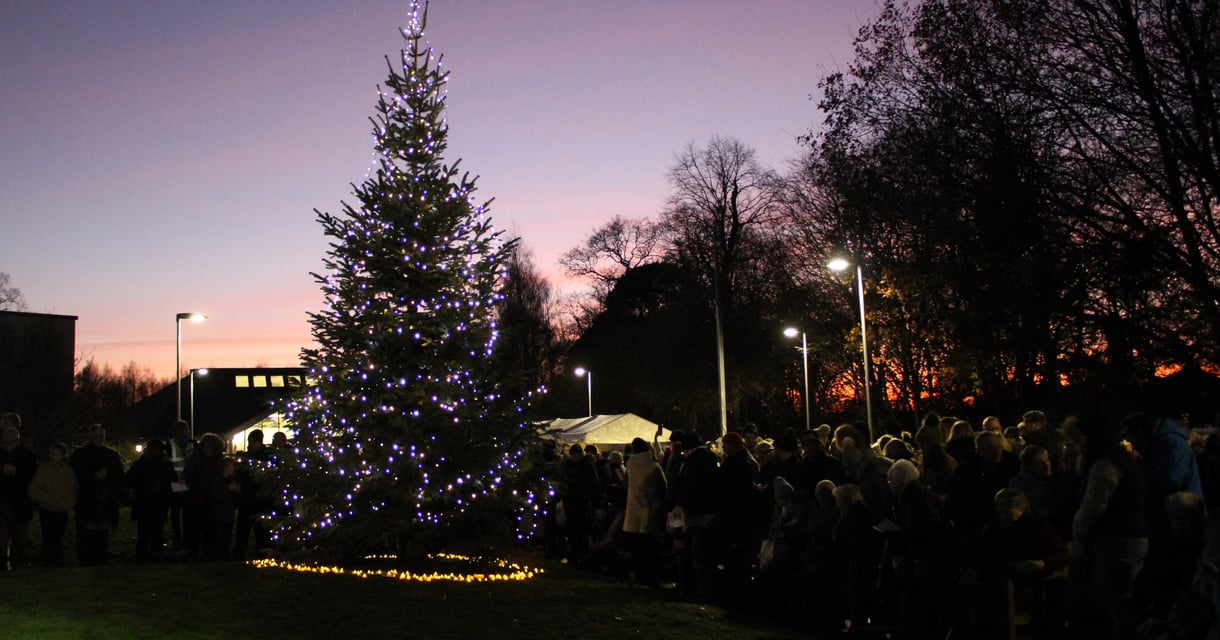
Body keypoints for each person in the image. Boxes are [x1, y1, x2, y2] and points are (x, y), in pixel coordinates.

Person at [1071, 415, 1149, 633]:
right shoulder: (1118, 458)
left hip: (1118, 539)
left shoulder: (1105, 464)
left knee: (1114, 603)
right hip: (1125, 537)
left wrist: (1078, 535)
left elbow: (1093, 505)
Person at [69, 424, 126, 566]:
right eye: (96, 436)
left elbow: (119, 478)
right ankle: (87, 561)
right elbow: (75, 477)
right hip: (87, 501)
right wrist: (93, 477)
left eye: (101, 436)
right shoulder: (81, 455)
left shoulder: (111, 455)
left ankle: (99, 560)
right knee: (86, 534)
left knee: (102, 535)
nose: (99, 439)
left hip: (104, 501)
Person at [622, 437, 666, 585]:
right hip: (649, 513)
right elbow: (663, 487)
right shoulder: (654, 467)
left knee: (636, 550)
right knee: (650, 549)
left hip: (633, 514)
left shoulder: (630, 465)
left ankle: (637, 574)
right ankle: (650, 576)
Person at [125, 439, 176, 562]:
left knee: (155, 531)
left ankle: (152, 555)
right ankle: (145, 555)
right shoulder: (142, 464)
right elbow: (130, 480)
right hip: (146, 502)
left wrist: (162, 485)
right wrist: (146, 486)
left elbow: (172, 480)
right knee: (145, 531)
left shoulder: (163, 465)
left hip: (156, 503)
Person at [27, 442, 77, 567]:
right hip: (48, 510)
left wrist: (69, 503)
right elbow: (33, 490)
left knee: (59, 536)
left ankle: (56, 560)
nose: (54, 457)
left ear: (62, 456)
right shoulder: (44, 471)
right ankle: (49, 561)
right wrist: (49, 501)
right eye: (52, 454)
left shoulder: (68, 471)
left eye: (57, 455)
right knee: (49, 537)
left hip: (62, 510)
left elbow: (75, 488)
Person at [0, 420, 37, 568]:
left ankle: (18, 560)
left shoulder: (27, 455)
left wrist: (17, 472)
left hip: (21, 499)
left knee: (20, 533)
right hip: (3, 499)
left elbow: (31, 474)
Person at [234, 429, 272, 560]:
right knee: (242, 529)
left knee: (261, 530)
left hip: (260, 499)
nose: (250, 444)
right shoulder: (247, 456)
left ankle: (261, 553)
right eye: (249, 441)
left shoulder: (267, 456)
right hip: (246, 498)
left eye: (253, 441)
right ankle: (239, 553)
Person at [167, 419, 196, 551]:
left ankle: (187, 538)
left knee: (188, 513)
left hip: (189, 484)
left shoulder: (193, 444)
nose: (181, 432)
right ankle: (178, 538)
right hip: (175, 483)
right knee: (176, 513)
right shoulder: (170, 445)